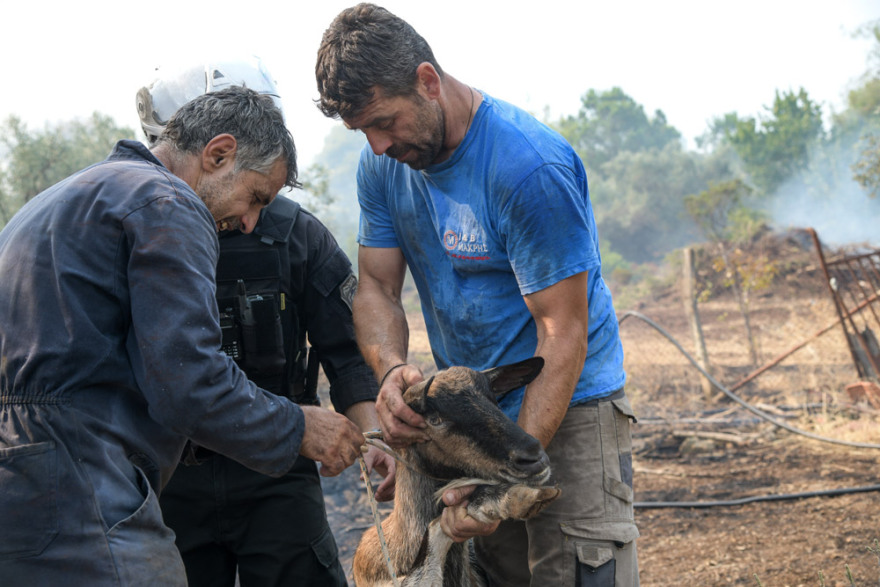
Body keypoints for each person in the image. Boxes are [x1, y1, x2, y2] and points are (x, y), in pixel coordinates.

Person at [315, 4, 639, 586]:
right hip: (471, 418)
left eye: (384, 122)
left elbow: (562, 329)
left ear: (428, 81)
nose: (378, 145)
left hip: (570, 404)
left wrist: (509, 472)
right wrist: (390, 371)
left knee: (578, 571)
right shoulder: (382, 167)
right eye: (363, 131)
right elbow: (378, 288)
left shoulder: (526, 168)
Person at [0, 85, 368, 586]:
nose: (249, 221)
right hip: (84, 478)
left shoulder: (57, 202)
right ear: (218, 154)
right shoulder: (168, 201)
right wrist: (298, 427)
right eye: (256, 197)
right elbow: (187, 382)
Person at [135, 57, 395, 587]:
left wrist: (373, 439)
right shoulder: (137, 229)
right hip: (168, 476)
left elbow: (345, 352)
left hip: (278, 471)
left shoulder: (298, 236)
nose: (246, 218)